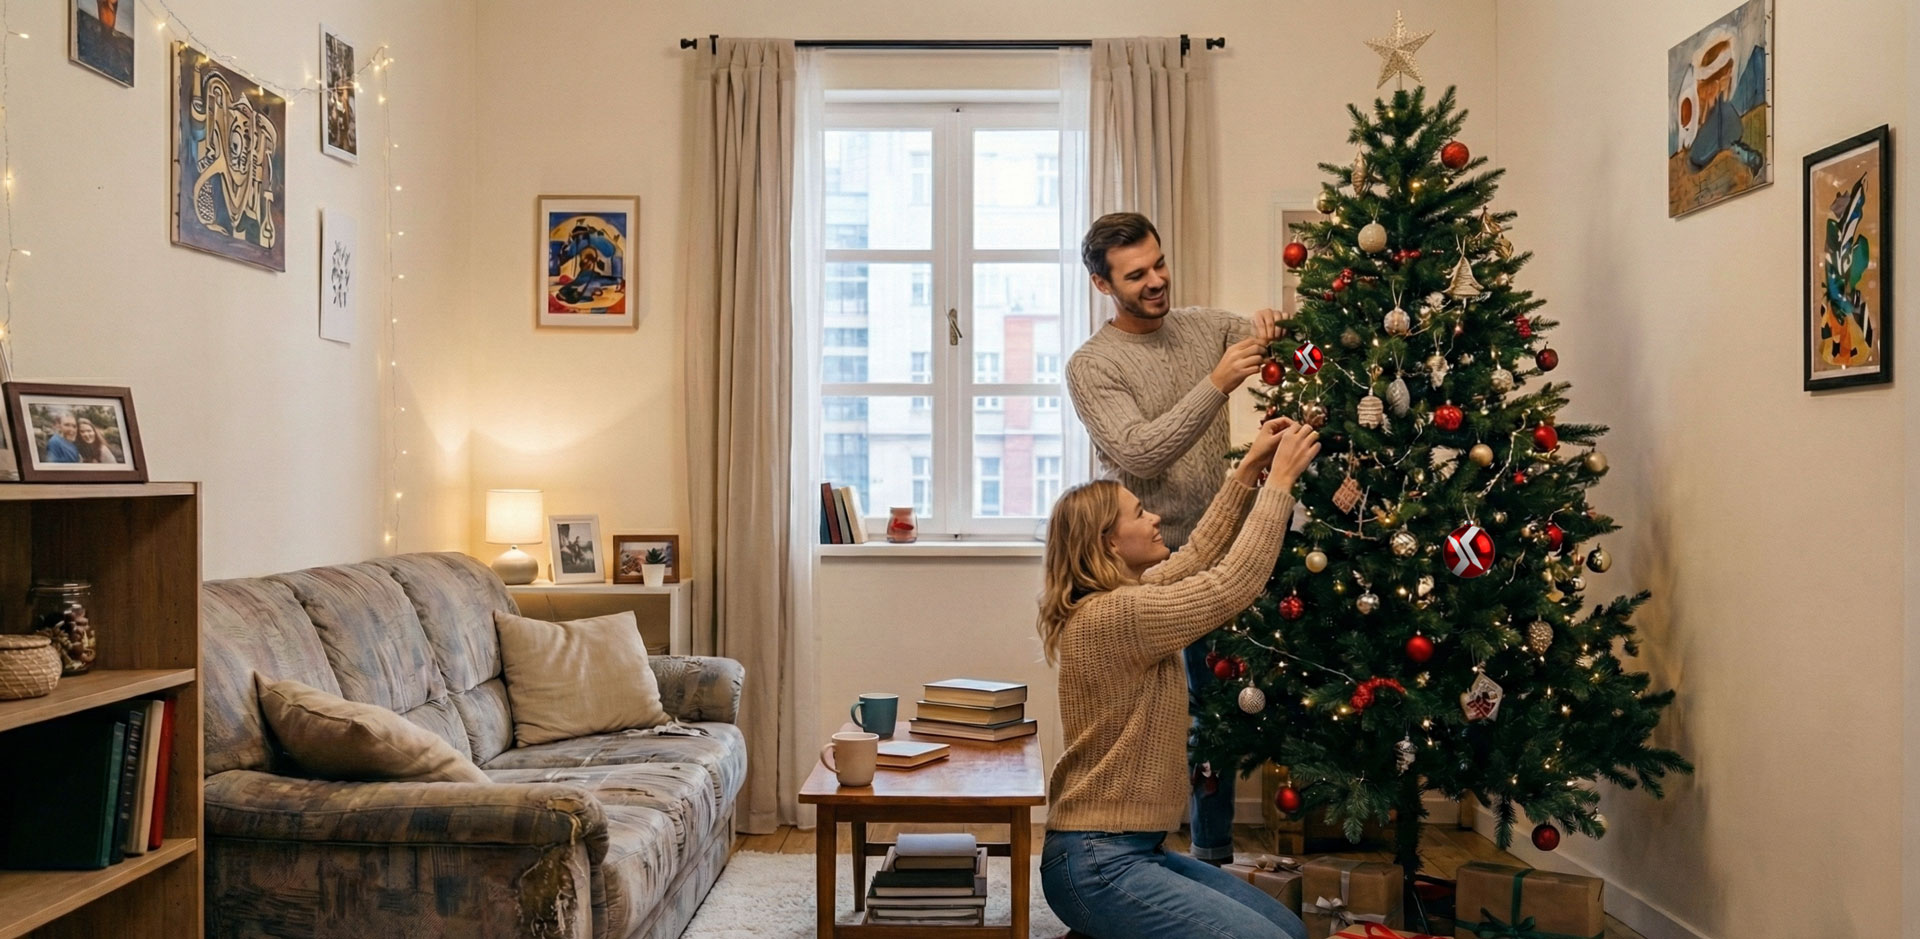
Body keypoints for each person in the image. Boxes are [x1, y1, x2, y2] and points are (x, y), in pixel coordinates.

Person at [1037, 417, 1318, 939]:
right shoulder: (1116, 616)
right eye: (1140, 513)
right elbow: (1230, 585)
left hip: (1136, 849)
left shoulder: (1124, 603)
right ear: (1109, 544)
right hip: (1097, 863)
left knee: (1291, 932)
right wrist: (1278, 486)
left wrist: (1248, 470)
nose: (1156, 516)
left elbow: (1198, 556)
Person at [1064, 212, 1283, 865]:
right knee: (1154, 720)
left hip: (1212, 545)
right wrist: (1217, 383)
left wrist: (1271, 325)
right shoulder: (1092, 366)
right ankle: (1136, 855)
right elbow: (1141, 452)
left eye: (1159, 263)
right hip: (1137, 567)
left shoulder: (1202, 326)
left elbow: (1269, 340)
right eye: (1137, 274)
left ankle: (1211, 855)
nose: (1157, 280)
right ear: (1104, 285)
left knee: (1213, 714)